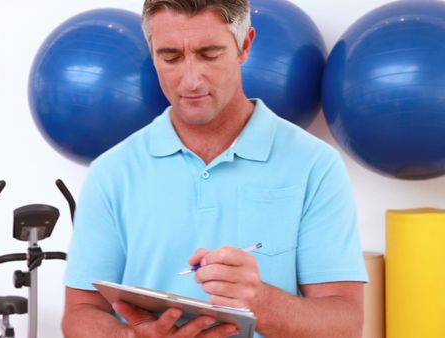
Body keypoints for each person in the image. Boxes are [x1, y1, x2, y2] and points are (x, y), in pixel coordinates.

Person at [62, 0, 368, 337]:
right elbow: (81, 313)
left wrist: (260, 301)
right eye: (171, 57)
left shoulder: (315, 165)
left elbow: (345, 324)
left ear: (245, 45)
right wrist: (129, 336)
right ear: (151, 52)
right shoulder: (111, 171)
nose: (191, 81)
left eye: (209, 54)